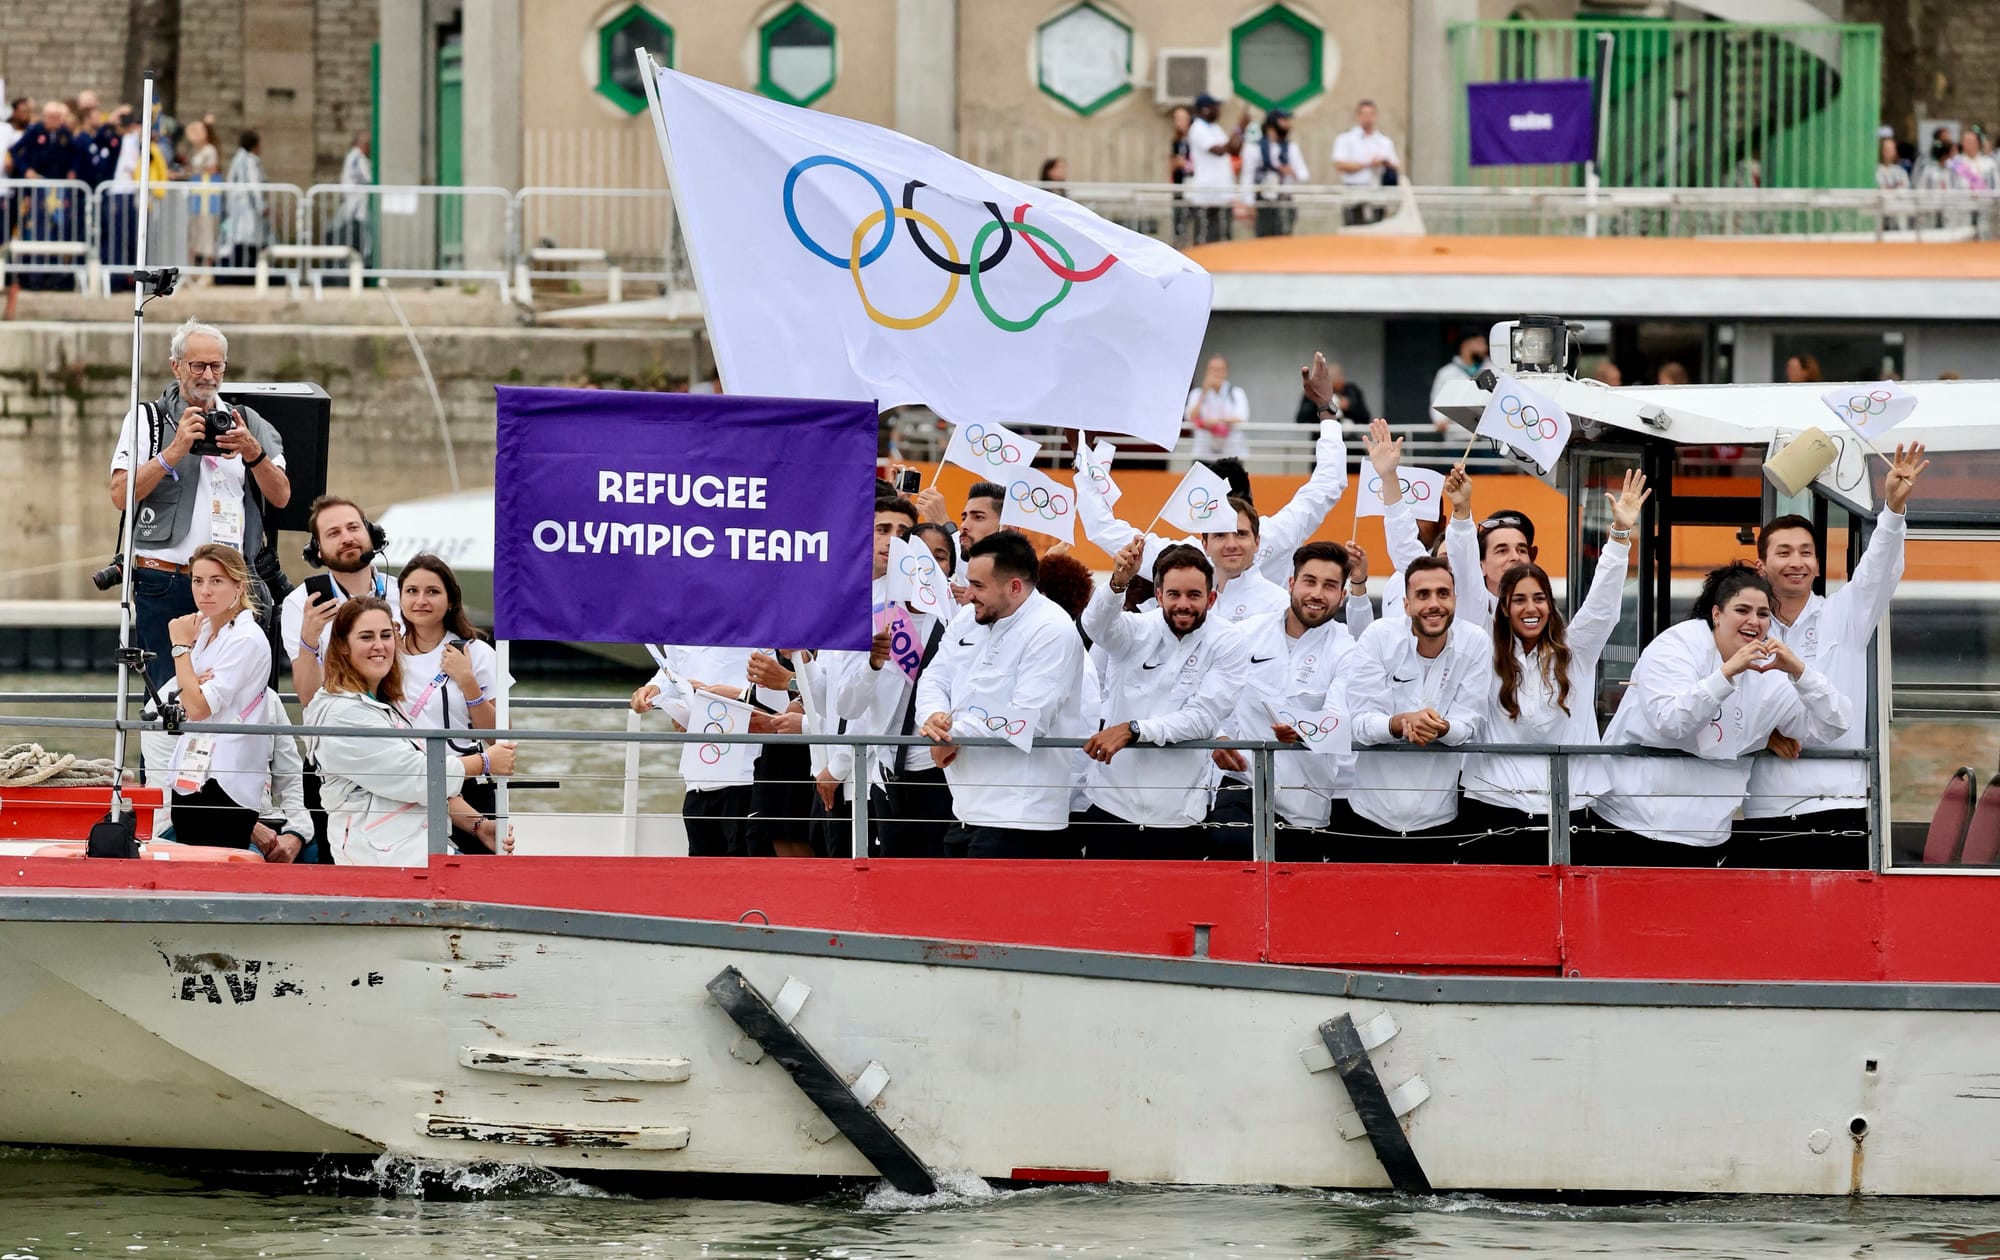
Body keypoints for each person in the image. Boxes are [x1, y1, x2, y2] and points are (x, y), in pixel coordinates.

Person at [1577, 565, 1852, 866]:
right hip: (1631, 826)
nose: (1754, 621)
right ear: (1717, 614)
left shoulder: (1768, 672)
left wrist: (1801, 673)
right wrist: (1726, 674)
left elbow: (1834, 724)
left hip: (1709, 838)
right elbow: (1671, 722)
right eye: (1742, 610)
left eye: (1762, 614)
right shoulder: (1676, 646)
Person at [1736, 444, 1927, 869]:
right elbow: (1724, 706)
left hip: (1839, 806)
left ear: (1818, 565)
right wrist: (1761, 736)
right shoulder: (1745, 629)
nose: (1796, 562)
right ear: (1761, 566)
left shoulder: (1845, 614)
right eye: (1783, 553)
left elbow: (1879, 568)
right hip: (1767, 807)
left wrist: (1893, 510)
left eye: (1806, 552)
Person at [1459, 471, 1649, 863]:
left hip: (1570, 809)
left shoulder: (1574, 649)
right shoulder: (1481, 645)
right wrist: (1461, 515)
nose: (1530, 608)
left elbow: (1602, 605)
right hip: (1493, 807)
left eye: (1539, 598)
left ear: (1550, 602)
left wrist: (1619, 535)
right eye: (1519, 600)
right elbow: (1464, 578)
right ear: (1503, 607)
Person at [108, 319, 290, 689]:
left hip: (231, 584)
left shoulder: (245, 421)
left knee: (232, 696)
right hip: (165, 579)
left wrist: (253, 453)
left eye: (216, 366)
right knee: (166, 697)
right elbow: (119, 494)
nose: (208, 375)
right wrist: (172, 453)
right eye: (197, 366)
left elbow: (282, 496)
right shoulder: (149, 420)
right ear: (176, 366)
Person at [1082, 352, 1353, 596]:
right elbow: (1328, 483)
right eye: (1221, 534)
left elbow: (1101, 528)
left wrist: (1082, 460)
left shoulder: (1187, 555)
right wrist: (1326, 411)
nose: (1232, 544)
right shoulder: (1276, 533)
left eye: (1240, 534)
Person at [306, 597, 518, 864]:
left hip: (414, 850)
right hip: (382, 862)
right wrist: (484, 762)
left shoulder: (380, 703)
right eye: (365, 637)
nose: (379, 645)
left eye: (386, 635)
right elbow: (415, 775)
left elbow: (417, 784)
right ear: (343, 647)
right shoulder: (343, 714)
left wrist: (480, 827)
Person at [916, 531, 1087, 857]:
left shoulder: (1052, 629)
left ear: (1014, 587)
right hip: (964, 810)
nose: (967, 595)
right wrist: (934, 718)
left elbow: (1029, 719)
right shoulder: (968, 617)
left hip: (1022, 819)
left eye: (979, 586)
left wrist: (951, 731)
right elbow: (934, 677)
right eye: (969, 583)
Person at [1080, 541, 1248, 859]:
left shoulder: (1229, 641)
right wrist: (1117, 584)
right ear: (1159, 596)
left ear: (1211, 598)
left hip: (1180, 819)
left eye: (1194, 595)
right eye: (1174, 595)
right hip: (1110, 809)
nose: (1183, 604)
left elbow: (1203, 718)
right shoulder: (1134, 629)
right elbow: (1094, 626)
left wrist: (1134, 729)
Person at [1214, 540, 1360, 859]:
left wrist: (1303, 730)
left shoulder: (1347, 652)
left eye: (1330, 585)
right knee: (1231, 849)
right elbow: (1212, 696)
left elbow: (1339, 721)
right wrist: (1218, 736)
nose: (1317, 594)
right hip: (1242, 786)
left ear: (1342, 595)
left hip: (1306, 806)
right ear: (1291, 583)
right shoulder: (1245, 634)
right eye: (1309, 581)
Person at [1340, 556, 1491, 858]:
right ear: (1406, 604)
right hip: (1368, 816)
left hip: (1440, 819)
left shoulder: (1475, 641)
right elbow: (1359, 722)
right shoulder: (1378, 637)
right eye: (1423, 595)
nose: (1434, 604)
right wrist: (1399, 723)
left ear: (1455, 599)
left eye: (1443, 593)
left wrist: (1440, 727)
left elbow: (1472, 724)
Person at [835, 495, 950, 857]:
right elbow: (847, 706)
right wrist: (871, 665)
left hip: (946, 771)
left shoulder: (961, 618)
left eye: (939, 557)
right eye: (917, 556)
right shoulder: (876, 615)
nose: (927, 565)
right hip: (887, 775)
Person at [398, 554, 510, 855]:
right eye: (412, 591)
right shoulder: (385, 654)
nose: (421, 600)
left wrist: (467, 681)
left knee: (477, 885)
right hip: (403, 784)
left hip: (469, 782)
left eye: (432, 591)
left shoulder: (477, 653)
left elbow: (501, 737)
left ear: (450, 601)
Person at [163, 544, 273, 849]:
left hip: (225, 777)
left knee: (217, 865)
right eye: (198, 581)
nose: (205, 591)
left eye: (216, 581)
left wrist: (179, 649)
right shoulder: (206, 630)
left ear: (238, 585)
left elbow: (197, 707)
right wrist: (192, 678)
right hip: (192, 772)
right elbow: (186, 695)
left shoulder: (245, 639)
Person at [630, 640, 784, 856]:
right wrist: (653, 689)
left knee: (744, 867)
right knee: (701, 872)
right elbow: (671, 671)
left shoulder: (753, 621)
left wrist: (734, 697)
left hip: (746, 772)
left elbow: (777, 687)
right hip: (698, 774)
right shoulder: (682, 627)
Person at [284, 496, 399, 709]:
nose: (347, 538)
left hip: (402, 725)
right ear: (317, 550)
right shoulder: (301, 603)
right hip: (338, 727)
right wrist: (309, 638)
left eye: (353, 528)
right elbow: (308, 698)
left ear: (372, 535)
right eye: (333, 533)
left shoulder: (403, 593)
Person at [1441, 469, 1537, 630]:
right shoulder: (1471, 612)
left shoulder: (1548, 615)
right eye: (1502, 550)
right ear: (1480, 566)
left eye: (1521, 550)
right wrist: (1461, 508)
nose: (1515, 557)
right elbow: (1463, 560)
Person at [1186, 93, 1246, 245]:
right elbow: (1218, 151)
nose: (1219, 110)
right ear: (1205, 109)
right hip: (1207, 194)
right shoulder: (1198, 128)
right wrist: (1238, 128)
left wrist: (1242, 131)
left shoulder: (1215, 128)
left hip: (1222, 193)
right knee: (1206, 239)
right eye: (1215, 107)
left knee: (1223, 238)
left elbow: (1233, 150)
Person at [1332, 99, 1398, 226]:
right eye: (1365, 114)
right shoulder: (1346, 139)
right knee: (1354, 230)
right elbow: (1339, 164)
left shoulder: (1384, 141)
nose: (1368, 118)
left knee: (1378, 229)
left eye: (1371, 114)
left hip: (1377, 191)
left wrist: (1384, 163)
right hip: (1353, 190)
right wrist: (1367, 164)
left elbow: (1395, 164)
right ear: (1358, 116)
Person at [1242, 107, 1307, 237]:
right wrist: (1248, 203)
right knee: (1264, 242)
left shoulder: (1290, 148)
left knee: (1284, 241)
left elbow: (1303, 174)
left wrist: (1291, 171)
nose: (1288, 125)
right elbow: (1247, 176)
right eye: (1284, 121)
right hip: (1263, 202)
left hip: (1284, 200)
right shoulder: (1254, 148)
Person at [220, 130, 267, 278]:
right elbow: (253, 186)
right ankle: (243, 275)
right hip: (246, 208)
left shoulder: (238, 159)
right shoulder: (248, 161)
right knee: (245, 241)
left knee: (240, 239)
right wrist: (261, 206)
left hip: (239, 208)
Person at [1185, 355, 1249, 462]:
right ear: (1207, 371)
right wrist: (1204, 393)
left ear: (1225, 372)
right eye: (1212, 369)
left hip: (1231, 454)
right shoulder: (1197, 394)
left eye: (1220, 369)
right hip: (1203, 454)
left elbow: (1242, 417)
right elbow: (1190, 417)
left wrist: (1217, 422)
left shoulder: (1236, 393)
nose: (1216, 373)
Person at [1428, 332, 1487, 433]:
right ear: (1465, 345)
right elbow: (1436, 399)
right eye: (1479, 343)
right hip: (1456, 437)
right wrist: (1440, 421)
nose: (1485, 348)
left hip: (1485, 438)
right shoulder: (1446, 373)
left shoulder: (1493, 369)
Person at [183, 120, 221, 271]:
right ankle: (191, 270)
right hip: (196, 196)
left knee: (207, 233)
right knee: (194, 233)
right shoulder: (196, 151)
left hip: (206, 197)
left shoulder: (210, 150)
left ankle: (207, 271)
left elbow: (212, 170)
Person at [332, 131, 372, 266]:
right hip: (356, 205)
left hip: (353, 203)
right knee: (356, 239)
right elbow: (368, 178)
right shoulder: (357, 158)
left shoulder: (353, 156)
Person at [1294, 361, 1370, 428]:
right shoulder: (1315, 391)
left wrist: (1349, 407)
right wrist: (1316, 402)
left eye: (1335, 386)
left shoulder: (1352, 391)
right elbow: (1300, 419)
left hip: (1348, 439)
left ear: (1342, 380)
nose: (1331, 391)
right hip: (1320, 436)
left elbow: (1365, 418)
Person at [1168, 104, 1194, 246]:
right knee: (1178, 219)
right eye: (1176, 119)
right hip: (1179, 186)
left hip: (1191, 185)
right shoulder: (1176, 141)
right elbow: (1172, 162)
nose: (1178, 122)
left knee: (1190, 218)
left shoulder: (1194, 140)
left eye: (1181, 119)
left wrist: (1185, 164)